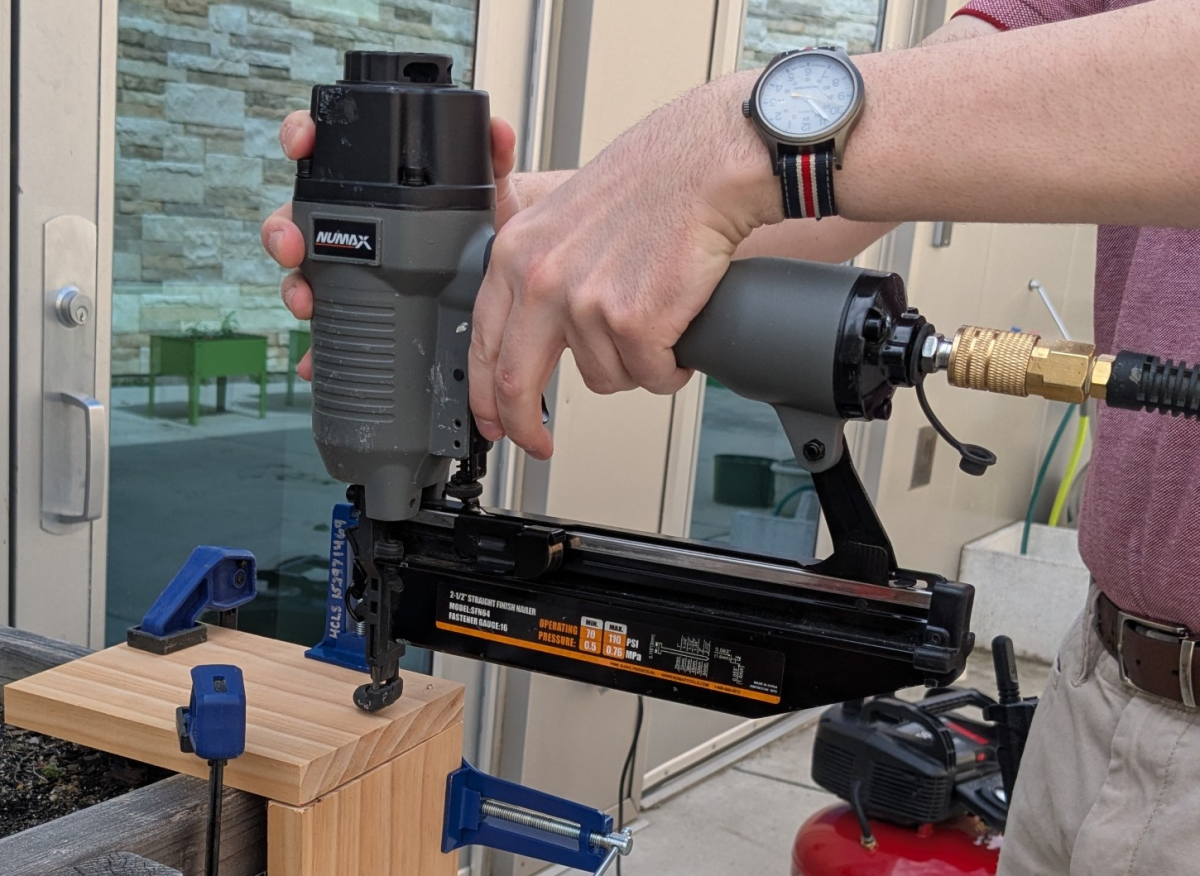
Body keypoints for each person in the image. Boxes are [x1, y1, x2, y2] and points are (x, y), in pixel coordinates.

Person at [262, 1, 1200, 872]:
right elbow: (962, 96)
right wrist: (542, 236)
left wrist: (737, 139)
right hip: (1101, 682)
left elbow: (858, 141)